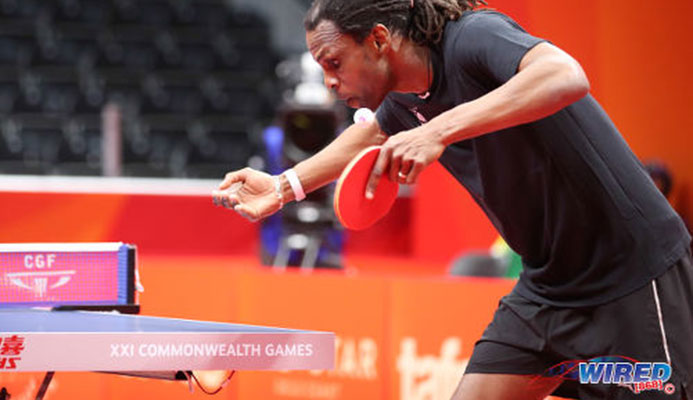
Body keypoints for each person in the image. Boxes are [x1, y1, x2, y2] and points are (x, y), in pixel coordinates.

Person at [213, 1, 692, 398]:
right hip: (548, 288)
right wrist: (282, 187)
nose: (329, 83)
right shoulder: (404, 99)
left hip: (634, 274)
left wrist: (439, 130)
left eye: (335, 63)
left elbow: (564, 76)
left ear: (379, 40)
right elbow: (370, 134)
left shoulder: (473, 38)